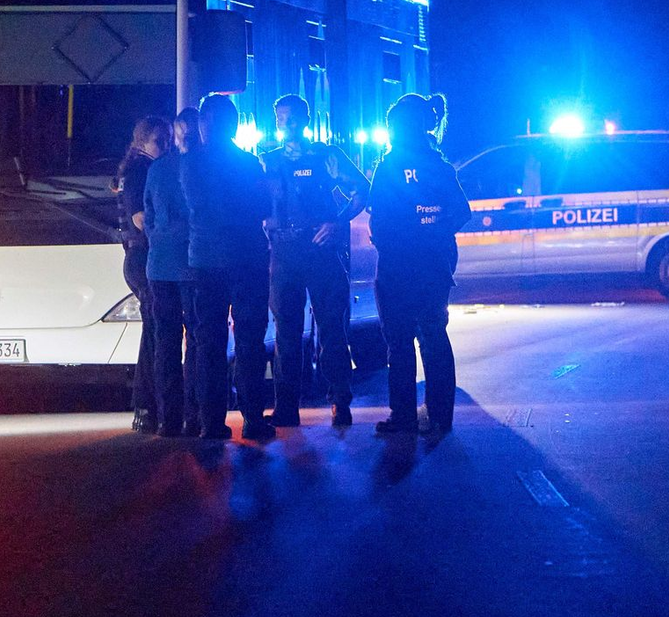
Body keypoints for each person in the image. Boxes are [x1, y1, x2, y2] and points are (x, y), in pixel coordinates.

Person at [262, 94, 368, 428]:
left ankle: (339, 401)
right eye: (281, 118)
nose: (286, 123)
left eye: (292, 117)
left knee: (332, 328)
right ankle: (286, 407)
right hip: (283, 252)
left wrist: (338, 221)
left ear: (306, 120)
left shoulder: (327, 156)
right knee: (286, 333)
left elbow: (361, 189)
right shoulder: (267, 160)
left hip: (320, 250)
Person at [368, 94, 471, 437]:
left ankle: (403, 418)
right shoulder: (439, 167)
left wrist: (395, 239)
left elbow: (378, 216)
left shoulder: (390, 166)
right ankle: (440, 417)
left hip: (398, 267)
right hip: (434, 266)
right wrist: (435, 230)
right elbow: (461, 211)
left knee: (399, 343)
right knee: (432, 336)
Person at [180, 93, 274, 441]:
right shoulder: (249, 164)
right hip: (247, 258)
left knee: (208, 343)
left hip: (204, 260)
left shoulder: (189, 164)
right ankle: (252, 418)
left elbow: (192, 207)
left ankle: (211, 422)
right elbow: (264, 207)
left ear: (204, 124)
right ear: (235, 125)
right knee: (250, 340)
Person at [143, 107, 202, 437]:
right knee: (196, 340)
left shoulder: (157, 168)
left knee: (164, 342)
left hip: (159, 265)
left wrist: (159, 238)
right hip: (193, 265)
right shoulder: (201, 168)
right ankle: (194, 414)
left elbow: (148, 217)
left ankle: (168, 418)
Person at [114, 115, 173, 433]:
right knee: (155, 333)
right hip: (144, 258)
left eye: (168, 140)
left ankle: (148, 405)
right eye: (159, 141)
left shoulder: (136, 168)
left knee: (155, 331)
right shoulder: (141, 170)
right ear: (141, 142)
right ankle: (146, 405)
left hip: (139, 258)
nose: (165, 146)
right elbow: (140, 219)